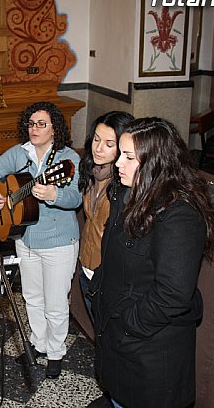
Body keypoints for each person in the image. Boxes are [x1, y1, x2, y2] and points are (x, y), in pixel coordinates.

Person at [89, 117, 214, 408]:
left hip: (148, 347)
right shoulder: (126, 192)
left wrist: (128, 324)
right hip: (118, 338)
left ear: (155, 163)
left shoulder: (179, 215)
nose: (118, 163)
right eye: (120, 154)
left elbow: (172, 294)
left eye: (129, 157)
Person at [0, 101, 81, 379]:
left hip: (58, 242)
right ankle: (39, 343)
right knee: (32, 298)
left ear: (55, 129)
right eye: (31, 123)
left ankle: (55, 352)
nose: (34, 129)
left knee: (56, 303)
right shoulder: (20, 152)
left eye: (42, 124)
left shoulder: (68, 159)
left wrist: (54, 195)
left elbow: (75, 198)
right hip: (25, 239)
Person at [77, 112, 133, 320]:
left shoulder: (126, 183)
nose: (98, 148)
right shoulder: (91, 172)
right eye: (96, 140)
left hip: (109, 274)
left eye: (109, 144)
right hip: (86, 267)